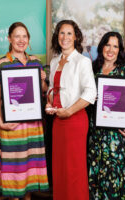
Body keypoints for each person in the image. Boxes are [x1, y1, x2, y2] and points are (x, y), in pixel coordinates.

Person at [0, 22, 49, 199]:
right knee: (14, 171)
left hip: (33, 126)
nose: (21, 40)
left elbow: (43, 91)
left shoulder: (36, 62)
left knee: (29, 173)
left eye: (24, 36)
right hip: (11, 126)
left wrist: (43, 80)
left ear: (29, 40)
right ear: (9, 38)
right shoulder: (1, 64)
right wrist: (1, 123)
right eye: (17, 36)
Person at [46, 20, 96, 200]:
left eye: (69, 33)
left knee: (74, 169)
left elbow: (91, 92)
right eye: (61, 33)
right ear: (56, 36)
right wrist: (49, 104)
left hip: (75, 121)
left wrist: (69, 111)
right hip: (58, 121)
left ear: (76, 37)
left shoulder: (82, 61)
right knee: (59, 168)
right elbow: (53, 88)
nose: (64, 37)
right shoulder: (54, 61)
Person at [88, 32, 125, 199]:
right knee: (98, 179)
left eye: (115, 46)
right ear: (102, 46)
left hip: (119, 137)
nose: (111, 50)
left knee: (119, 180)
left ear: (120, 50)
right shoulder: (92, 69)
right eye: (107, 45)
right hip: (97, 135)